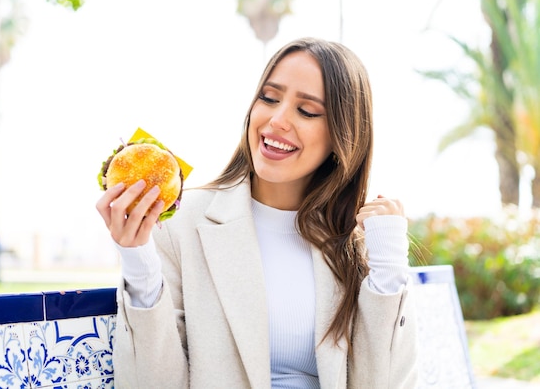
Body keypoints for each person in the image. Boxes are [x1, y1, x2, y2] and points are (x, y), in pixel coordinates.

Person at [96, 37, 418, 389]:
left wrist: (389, 266)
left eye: (307, 111)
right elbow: (157, 382)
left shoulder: (356, 241)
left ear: (343, 137)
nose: (277, 120)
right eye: (269, 98)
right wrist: (138, 262)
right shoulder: (180, 224)